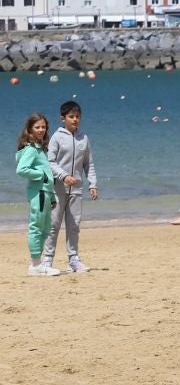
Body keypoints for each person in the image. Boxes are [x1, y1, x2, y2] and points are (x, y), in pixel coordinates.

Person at [42, 100, 98, 274]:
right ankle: (47, 260)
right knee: (53, 225)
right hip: (57, 189)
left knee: (74, 225)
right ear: (62, 118)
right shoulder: (56, 138)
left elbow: (89, 164)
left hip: (77, 190)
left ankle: (73, 260)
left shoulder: (84, 138)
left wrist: (93, 184)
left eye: (78, 117)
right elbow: (50, 163)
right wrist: (64, 176)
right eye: (71, 117)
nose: (75, 120)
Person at [17, 113, 57, 276]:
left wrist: (53, 196)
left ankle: (37, 264)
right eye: (37, 127)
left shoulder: (41, 148)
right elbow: (21, 169)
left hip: (46, 193)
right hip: (38, 194)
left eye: (43, 127)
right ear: (29, 129)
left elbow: (47, 173)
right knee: (37, 227)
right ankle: (35, 265)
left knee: (46, 228)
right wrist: (42, 175)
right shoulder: (31, 149)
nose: (41, 130)